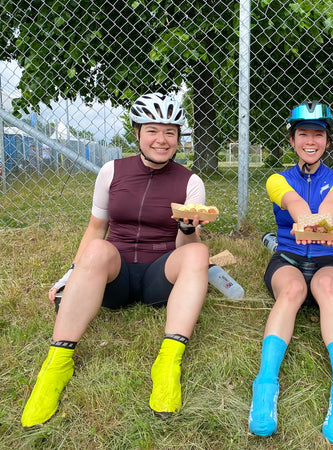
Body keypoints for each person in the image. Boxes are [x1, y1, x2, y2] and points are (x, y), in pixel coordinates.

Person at [21, 93, 211, 427]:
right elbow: (96, 228)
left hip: (159, 277)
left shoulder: (191, 182)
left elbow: (186, 246)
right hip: (115, 275)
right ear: (137, 133)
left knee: (198, 251)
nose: (161, 140)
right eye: (152, 130)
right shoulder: (112, 171)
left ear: (179, 139)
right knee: (97, 250)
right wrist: (70, 276)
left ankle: (168, 361)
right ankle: (57, 364)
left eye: (170, 132)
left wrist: (187, 228)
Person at [248, 101, 333, 445]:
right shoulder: (277, 179)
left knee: (326, 287)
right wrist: (304, 220)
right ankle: (265, 381)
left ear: (328, 141)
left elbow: (332, 205)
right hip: (289, 259)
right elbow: (293, 203)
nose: (311, 141)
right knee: (292, 291)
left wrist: (323, 220)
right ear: (292, 141)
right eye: (303, 134)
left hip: (328, 261)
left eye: (318, 135)